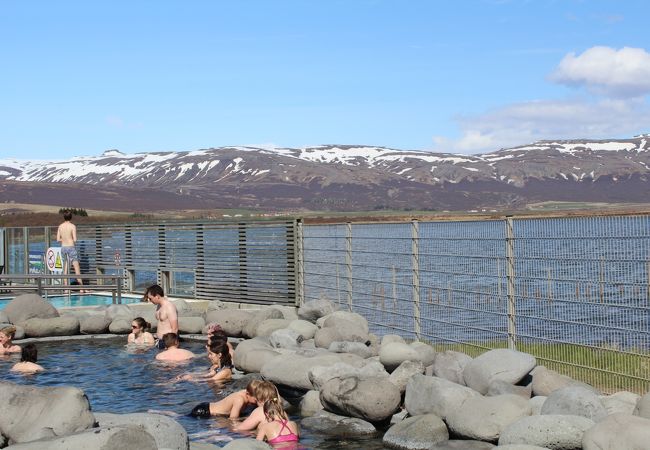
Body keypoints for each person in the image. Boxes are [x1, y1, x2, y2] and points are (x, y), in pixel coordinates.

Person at [190, 379, 262, 419]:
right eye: (256, 400)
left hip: (207, 407)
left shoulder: (247, 392)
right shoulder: (239, 400)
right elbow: (233, 419)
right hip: (205, 412)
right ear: (247, 394)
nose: (258, 401)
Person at [56, 209, 84, 289]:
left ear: (64, 217)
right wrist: (69, 238)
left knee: (65, 268)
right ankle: (81, 289)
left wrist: (64, 239)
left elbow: (58, 239)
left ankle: (66, 288)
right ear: (71, 217)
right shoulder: (72, 226)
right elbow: (75, 239)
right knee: (76, 268)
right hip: (71, 247)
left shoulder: (60, 226)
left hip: (63, 248)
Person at [146, 284, 178, 349]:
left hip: (167, 342)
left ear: (157, 296)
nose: (149, 300)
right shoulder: (159, 306)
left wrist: (170, 345)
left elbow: (175, 328)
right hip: (159, 340)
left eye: (150, 298)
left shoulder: (169, 307)